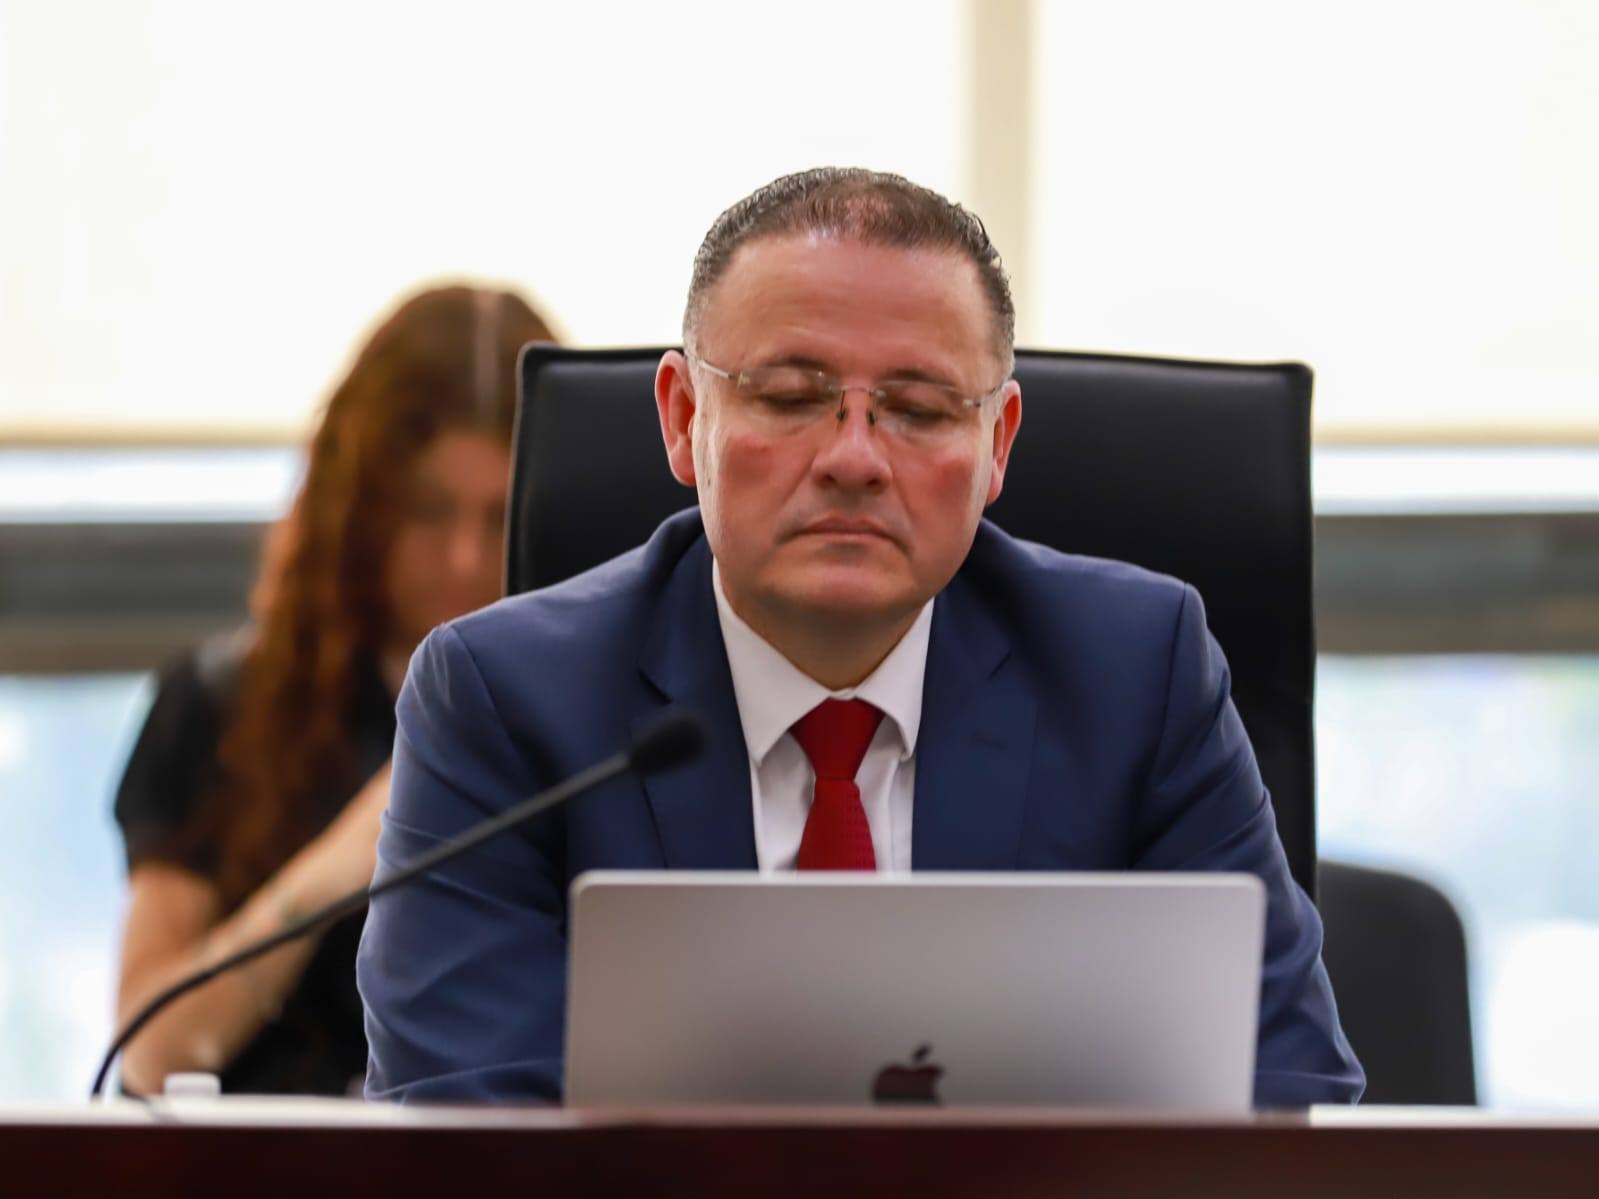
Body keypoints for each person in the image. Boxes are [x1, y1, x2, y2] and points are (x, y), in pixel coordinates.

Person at [358, 169, 1365, 1106]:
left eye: (919, 410)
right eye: (790, 397)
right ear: (681, 415)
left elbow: (1282, 1089)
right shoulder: (504, 701)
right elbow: (472, 1125)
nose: (853, 457)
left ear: (998, 443)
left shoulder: (1136, 675)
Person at [112, 284, 557, 1095]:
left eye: (500, 518)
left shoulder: (610, 717)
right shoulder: (220, 704)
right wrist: (331, 871)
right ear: (360, 510)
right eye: (429, 512)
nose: (464, 558)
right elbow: (149, 1051)